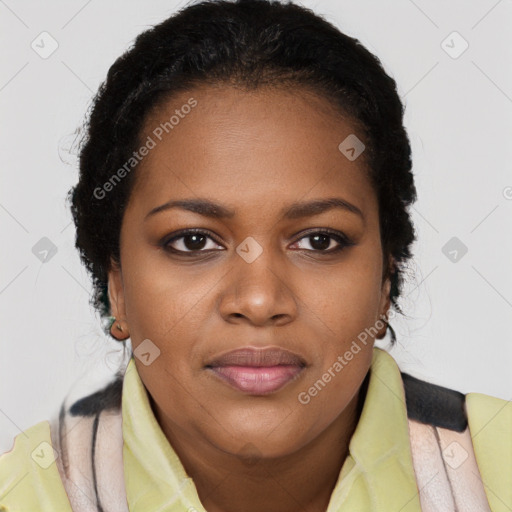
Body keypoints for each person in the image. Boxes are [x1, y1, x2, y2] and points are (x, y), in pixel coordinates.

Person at [1, 0, 510, 510]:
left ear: (385, 279)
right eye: (194, 241)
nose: (260, 300)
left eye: (319, 240)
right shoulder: (26, 494)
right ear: (117, 283)